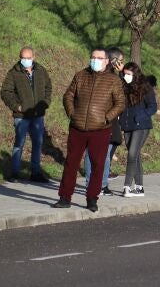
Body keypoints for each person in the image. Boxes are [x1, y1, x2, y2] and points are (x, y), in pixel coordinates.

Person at [54, 48, 126, 212]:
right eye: (93, 57)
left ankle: (92, 199)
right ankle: (65, 197)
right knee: (71, 163)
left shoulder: (113, 80)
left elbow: (120, 103)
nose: (95, 60)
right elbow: (68, 96)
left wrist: (106, 118)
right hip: (77, 128)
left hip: (100, 129)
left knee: (98, 165)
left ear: (106, 61)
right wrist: (72, 113)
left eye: (99, 58)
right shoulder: (80, 75)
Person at [0, 46, 52, 183]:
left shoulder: (41, 70)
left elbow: (48, 87)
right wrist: (17, 106)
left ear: (33, 57)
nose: (26, 60)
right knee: (19, 143)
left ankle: (36, 172)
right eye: (23, 58)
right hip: (21, 116)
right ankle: (15, 173)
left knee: (38, 143)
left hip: (37, 115)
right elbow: (5, 92)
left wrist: (45, 103)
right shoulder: (14, 72)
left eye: (28, 58)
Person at [84, 47, 126, 195]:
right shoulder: (105, 76)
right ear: (113, 61)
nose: (122, 64)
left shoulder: (112, 76)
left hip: (104, 119)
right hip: (99, 120)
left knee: (101, 153)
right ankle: (97, 184)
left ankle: (98, 184)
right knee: (97, 154)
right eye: (120, 61)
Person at [119, 63, 157, 197]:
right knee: (135, 155)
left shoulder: (145, 88)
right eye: (125, 74)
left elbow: (153, 107)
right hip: (127, 125)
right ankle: (139, 187)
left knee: (131, 155)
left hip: (141, 126)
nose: (126, 76)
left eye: (129, 74)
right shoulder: (124, 86)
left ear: (135, 75)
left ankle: (127, 187)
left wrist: (141, 116)